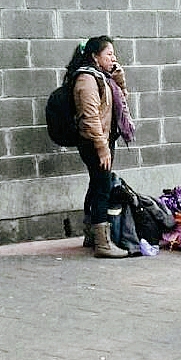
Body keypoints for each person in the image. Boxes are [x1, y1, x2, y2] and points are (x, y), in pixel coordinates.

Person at [69, 35, 134, 259]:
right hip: (94, 142)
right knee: (102, 188)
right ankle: (103, 243)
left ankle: (91, 234)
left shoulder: (104, 77)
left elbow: (122, 101)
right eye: (109, 54)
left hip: (104, 140)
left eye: (113, 54)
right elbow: (90, 116)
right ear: (95, 56)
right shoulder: (87, 79)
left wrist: (120, 78)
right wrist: (101, 147)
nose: (113, 58)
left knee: (97, 184)